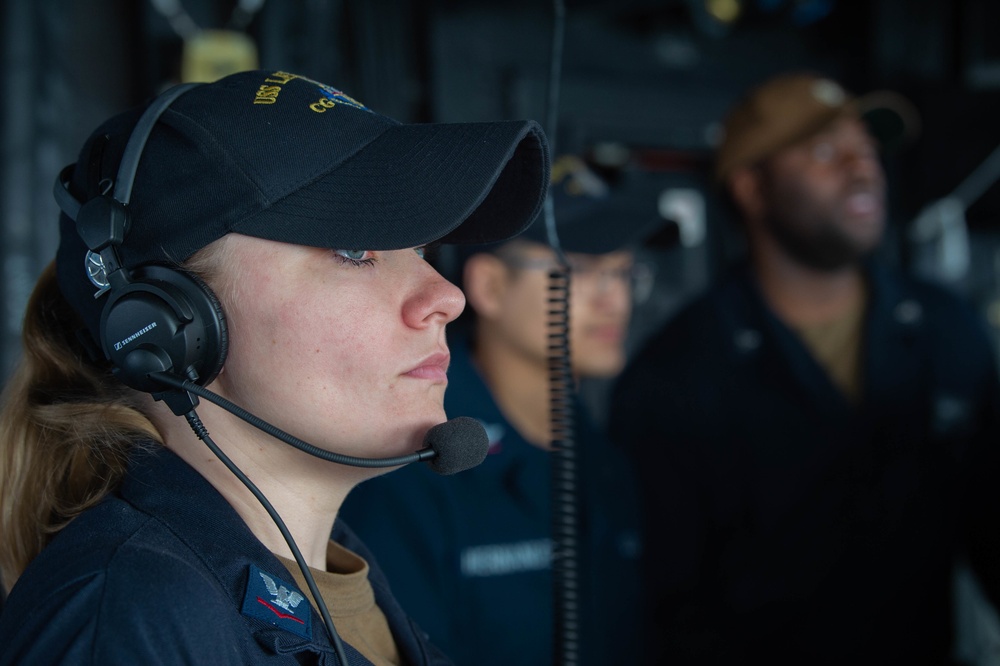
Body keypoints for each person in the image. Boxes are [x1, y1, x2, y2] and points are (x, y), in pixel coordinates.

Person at [0, 69, 549, 664]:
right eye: (353, 251)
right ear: (171, 323)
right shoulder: (134, 617)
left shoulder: (331, 582)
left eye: (418, 249)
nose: (446, 296)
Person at [609, 71, 1000, 665]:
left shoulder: (947, 328)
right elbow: (661, 602)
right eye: (825, 151)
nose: (862, 168)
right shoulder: (680, 372)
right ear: (751, 188)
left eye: (867, 149)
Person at [340, 155, 660, 666]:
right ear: (489, 286)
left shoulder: (604, 457)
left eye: (623, 273)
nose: (615, 300)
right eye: (577, 270)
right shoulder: (417, 459)